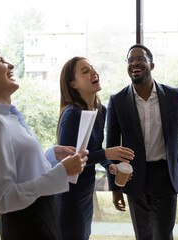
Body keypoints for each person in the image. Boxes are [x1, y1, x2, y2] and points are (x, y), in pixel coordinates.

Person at [0, 45, 88, 240]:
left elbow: (21, 171)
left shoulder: (6, 118)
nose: (10, 65)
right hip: (27, 226)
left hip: (41, 217)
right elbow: (3, 199)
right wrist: (61, 171)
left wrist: (50, 155)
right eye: (0, 60)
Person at [106, 44, 178, 240]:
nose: (134, 62)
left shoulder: (173, 95)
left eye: (140, 58)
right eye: (130, 60)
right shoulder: (117, 100)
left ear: (151, 65)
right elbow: (112, 148)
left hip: (165, 176)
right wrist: (115, 189)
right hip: (133, 176)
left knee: (163, 234)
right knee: (142, 235)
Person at [53, 56, 134, 240]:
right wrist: (107, 153)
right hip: (69, 196)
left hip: (86, 192)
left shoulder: (100, 110)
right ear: (73, 84)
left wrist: (109, 165)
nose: (93, 72)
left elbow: (94, 148)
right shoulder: (72, 114)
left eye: (92, 68)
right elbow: (68, 161)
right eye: (85, 71)